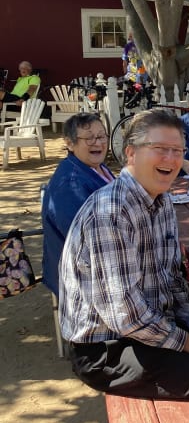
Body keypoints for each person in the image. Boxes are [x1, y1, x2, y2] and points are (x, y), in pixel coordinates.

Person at [58, 109, 189, 423]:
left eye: (177, 151)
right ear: (131, 153)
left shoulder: (161, 201)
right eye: (160, 149)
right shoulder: (110, 213)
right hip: (107, 349)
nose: (171, 158)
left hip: (150, 325)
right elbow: (126, 316)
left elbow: (172, 280)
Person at [41, 113, 115, 296]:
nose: (98, 143)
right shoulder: (70, 183)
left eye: (101, 136)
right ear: (70, 143)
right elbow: (86, 242)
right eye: (89, 138)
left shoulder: (96, 167)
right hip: (82, 280)